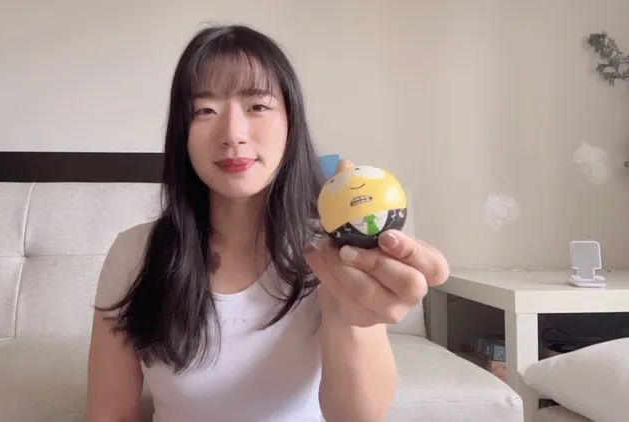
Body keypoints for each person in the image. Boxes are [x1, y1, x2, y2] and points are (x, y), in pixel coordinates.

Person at [85, 24, 449, 422]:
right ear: (181, 134)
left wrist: (351, 315)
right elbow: (109, 414)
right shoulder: (134, 254)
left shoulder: (331, 254)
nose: (233, 134)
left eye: (257, 106)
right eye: (204, 110)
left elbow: (357, 417)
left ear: (291, 123)